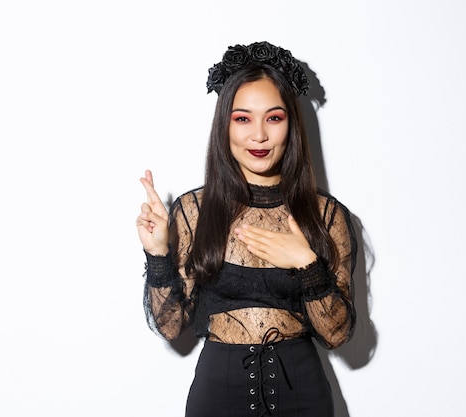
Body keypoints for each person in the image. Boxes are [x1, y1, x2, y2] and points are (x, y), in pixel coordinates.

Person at [136, 41, 358, 417]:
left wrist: (307, 264)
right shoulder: (193, 211)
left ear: (291, 124)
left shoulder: (326, 215)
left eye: (274, 117)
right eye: (243, 118)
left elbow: (337, 335)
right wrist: (158, 255)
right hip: (216, 397)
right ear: (225, 124)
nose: (259, 136)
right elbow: (171, 327)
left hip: (303, 397)